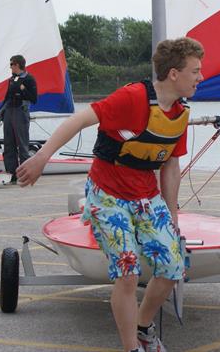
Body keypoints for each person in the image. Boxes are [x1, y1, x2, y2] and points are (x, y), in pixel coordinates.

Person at [17, 37, 204, 352]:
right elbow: (79, 119)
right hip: (108, 195)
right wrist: (41, 158)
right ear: (174, 74)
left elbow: (170, 165)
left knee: (173, 267)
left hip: (146, 196)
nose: (201, 77)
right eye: (196, 71)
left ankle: (143, 327)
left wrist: (172, 215)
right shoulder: (131, 98)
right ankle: (131, 347)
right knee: (128, 272)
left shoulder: (180, 113)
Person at [0, 55, 37, 182]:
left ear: (17, 65)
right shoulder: (12, 79)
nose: (10, 66)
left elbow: (33, 98)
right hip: (9, 112)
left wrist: (23, 89)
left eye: (11, 64)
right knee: (8, 144)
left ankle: (25, 175)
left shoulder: (29, 79)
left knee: (22, 144)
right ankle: (11, 173)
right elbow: (7, 99)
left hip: (21, 112)